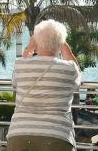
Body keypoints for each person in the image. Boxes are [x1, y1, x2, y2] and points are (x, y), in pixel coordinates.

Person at [7, 19, 82, 151]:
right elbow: (79, 78)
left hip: (20, 134)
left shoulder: (20, 64)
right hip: (57, 136)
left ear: (35, 41)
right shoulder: (70, 69)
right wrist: (67, 51)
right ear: (61, 43)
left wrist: (29, 48)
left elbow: (15, 82)